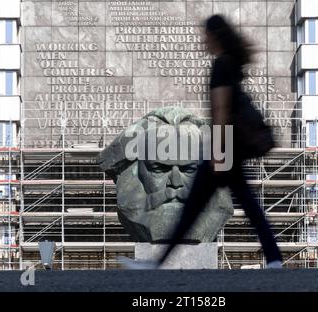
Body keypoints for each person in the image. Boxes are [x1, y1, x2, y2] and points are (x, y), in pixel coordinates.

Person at [120, 14, 283, 269]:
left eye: (205, 34)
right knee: (239, 207)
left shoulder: (221, 66)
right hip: (230, 148)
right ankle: (274, 260)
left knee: (194, 211)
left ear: (215, 35)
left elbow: (220, 110)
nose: (202, 39)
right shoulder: (232, 65)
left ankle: (157, 264)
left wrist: (218, 153)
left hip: (224, 148)